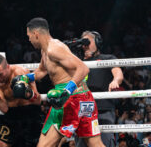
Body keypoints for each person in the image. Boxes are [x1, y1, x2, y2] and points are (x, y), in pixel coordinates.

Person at [24, 17, 104, 147]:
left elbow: (83, 69)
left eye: (29, 36)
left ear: (36, 34)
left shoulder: (54, 48)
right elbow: (42, 71)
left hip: (70, 99)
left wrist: (66, 91)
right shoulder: (45, 50)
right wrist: (26, 78)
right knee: (96, 144)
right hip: (83, 98)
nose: (29, 39)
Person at [0, 54, 42, 147]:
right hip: (11, 116)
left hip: (31, 113)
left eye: (0, 74)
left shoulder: (19, 72)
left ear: (7, 67)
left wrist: (28, 94)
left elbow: (38, 101)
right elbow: (4, 108)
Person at [76, 31, 124, 147]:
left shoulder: (107, 58)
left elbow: (118, 73)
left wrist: (115, 80)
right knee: (82, 143)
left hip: (104, 108)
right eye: (83, 43)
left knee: (105, 142)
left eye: (88, 42)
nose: (85, 45)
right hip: (84, 108)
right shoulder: (78, 62)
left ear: (97, 42)